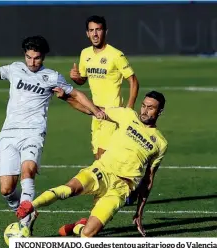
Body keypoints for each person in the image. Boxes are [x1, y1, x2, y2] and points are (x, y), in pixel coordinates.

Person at [0, 35, 106, 237]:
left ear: (43, 57)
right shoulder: (14, 69)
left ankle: (24, 225)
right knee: (6, 189)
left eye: (36, 58)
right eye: (29, 57)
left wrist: (95, 111)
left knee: (28, 171)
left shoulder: (52, 77)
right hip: (8, 134)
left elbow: (76, 95)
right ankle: (27, 215)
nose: (32, 62)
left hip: (33, 133)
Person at [16, 91, 168, 237]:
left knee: (87, 235)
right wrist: (66, 98)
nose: (145, 111)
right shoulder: (127, 115)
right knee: (69, 189)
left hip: (121, 188)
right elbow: (94, 111)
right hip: (101, 170)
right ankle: (31, 206)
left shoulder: (160, 143)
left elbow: (148, 180)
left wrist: (139, 213)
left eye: (151, 108)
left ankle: (78, 226)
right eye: (143, 105)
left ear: (160, 111)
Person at [70, 15, 139, 160]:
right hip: (95, 112)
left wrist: (129, 108)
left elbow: (133, 81)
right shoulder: (85, 53)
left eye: (98, 30)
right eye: (91, 30)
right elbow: (82, 80)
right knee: (99, 157)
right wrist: (76, 78)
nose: (95, 34)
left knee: (102, 158)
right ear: (87, 33)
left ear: (105, 32)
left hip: (112, 113)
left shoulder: (116, 55)